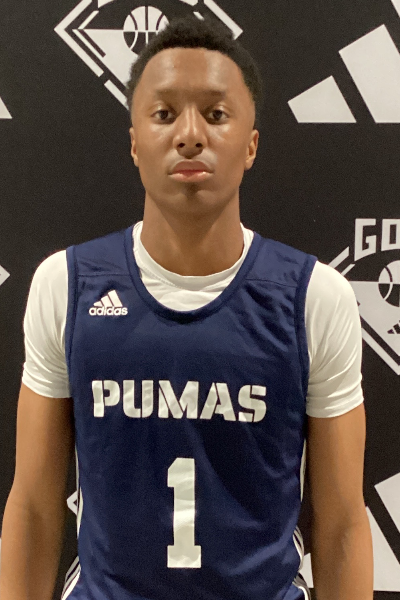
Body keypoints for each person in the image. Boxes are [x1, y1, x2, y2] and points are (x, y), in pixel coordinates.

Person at [0, 14, 373, 600]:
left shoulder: (315, 297)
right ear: (134, 142)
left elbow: (344, 522)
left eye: (216, 115)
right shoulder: (65, 285)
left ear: (251, 145)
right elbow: (33, 507)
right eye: (165, 113)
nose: (190, 135)